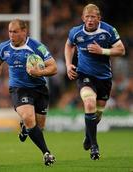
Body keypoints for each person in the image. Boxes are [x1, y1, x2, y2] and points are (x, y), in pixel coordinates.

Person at [0, 19, 57, 166]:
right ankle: (46, 153)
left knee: (40, 126)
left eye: (15, 32)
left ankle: (25, 127)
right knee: (28, 117)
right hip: (19, 89)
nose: (11, 35)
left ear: (24, 31)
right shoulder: (4, 48)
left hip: (39, 89)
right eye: (10, 31)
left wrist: (39, 72)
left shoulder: (37, 47)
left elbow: (53, 67)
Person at [64, 4, 125, 160]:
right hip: (85, 75)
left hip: (104, 78)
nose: (90, 20)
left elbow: (121, 50)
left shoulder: (108, 31)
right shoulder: (75, 32)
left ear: (99, 18)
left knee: (97, 115)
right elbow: (69, 45)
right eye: (87, 17)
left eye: (93, 17)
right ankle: (94, 146)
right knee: (89, 103)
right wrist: (68, 63)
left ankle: (88, 135)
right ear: (83, 18)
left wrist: (102, 51)